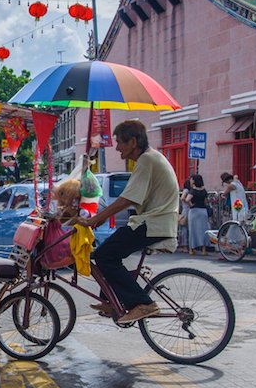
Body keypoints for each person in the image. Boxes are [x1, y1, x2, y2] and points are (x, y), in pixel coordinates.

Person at [78, 120, 178, 323]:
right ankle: (111, 300)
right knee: (106, 252)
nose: (117, 147)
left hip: (154, 223)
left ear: (133, 141)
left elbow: (128, 198)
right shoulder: (149, 158)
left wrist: (95, 220)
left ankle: (143, 303)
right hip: (153, 221)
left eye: (119, 142)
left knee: (105, 255)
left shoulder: (146, 160)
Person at [185, 174, 210, 256]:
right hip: (203, 211)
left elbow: (187, 199)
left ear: (194, 181)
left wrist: (191, 205)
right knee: (203, 230)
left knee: (193, 230)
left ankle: (192, 249)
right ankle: (203, 249)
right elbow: (206, 201)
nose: (190, 181)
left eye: (191, 179)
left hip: (194, 211)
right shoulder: (204, 190)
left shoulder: (193, 190)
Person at [178, 178, 192, 253]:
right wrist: (188, 203)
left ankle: (186, 246)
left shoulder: (189, 191)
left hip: (187, 210)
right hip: (186, 210)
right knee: (185, 228)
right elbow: (182, 198)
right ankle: (185, 246)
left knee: (186, 229)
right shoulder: (187, 190)